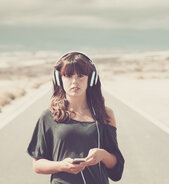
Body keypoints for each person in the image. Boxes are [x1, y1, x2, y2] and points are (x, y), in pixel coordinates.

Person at [27, 51, 124, 184]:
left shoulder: (105, 114)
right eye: (68, 76)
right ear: (58, 78)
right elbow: (37, 165)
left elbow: (117, 168)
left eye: (80, 76)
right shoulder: (48, 116)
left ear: (91, 79)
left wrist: (102, 155)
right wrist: (61, 166)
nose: (75, 82)